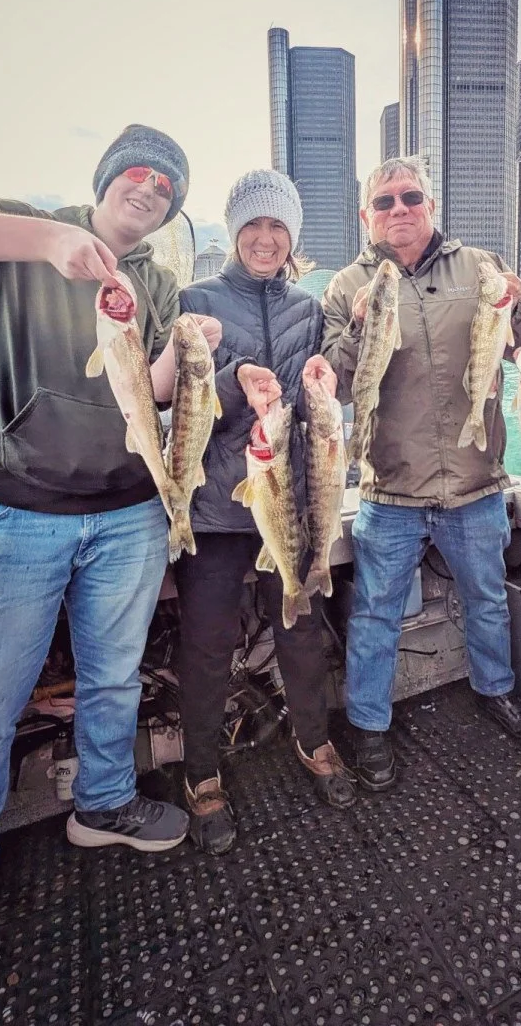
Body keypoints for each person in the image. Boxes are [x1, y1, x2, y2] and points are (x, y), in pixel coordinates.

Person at [0, 125, 219, 1002]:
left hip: (127, 517)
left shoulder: (153, 280)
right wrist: (49, 239)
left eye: (171, 184)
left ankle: (103, 803)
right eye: (141, 173)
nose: (152, 188)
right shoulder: (25, 237)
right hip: (14, 513)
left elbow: (147, 392)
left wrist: (187, 342)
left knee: (115, 679)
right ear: (108, 178)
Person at [319, 156, 521, 793]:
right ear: (366, 215)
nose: (399, 210)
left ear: (432, 205)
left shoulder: (478, 265)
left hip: (475, 481)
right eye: (385, 201)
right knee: (374, 614)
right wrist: (362, 323)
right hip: (389, 487)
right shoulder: (344, 286)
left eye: (411, 197)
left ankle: (496, 690)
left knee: (487, 600)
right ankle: (369, 723)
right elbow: (334, 384)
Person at [174, 169, 355, 855]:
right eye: (254, 224)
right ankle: (200, 774)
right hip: (218, 507)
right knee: (207, 645)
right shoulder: (198, 299)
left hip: (289, 506)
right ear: (234, 230)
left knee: (302, 633)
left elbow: (317, 415)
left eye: (278, 226)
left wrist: (320, 392)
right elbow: (182, 409)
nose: (266, 237)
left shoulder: (308, 309)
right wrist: (231, 381)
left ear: (292, 238)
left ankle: (313, 741)